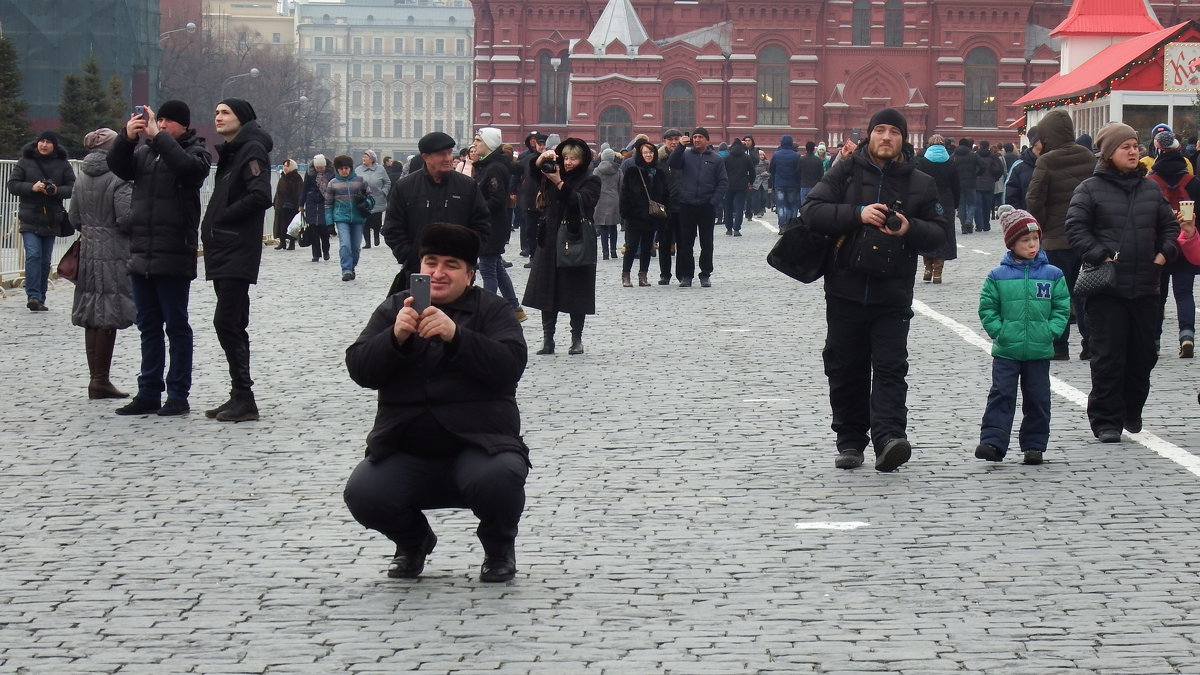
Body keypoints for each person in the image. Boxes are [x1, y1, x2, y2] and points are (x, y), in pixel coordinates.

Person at [343, 222, 529, 583]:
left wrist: (457, 336)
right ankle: (413, 543)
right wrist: (394, 339)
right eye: (431, 263)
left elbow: (509, 367)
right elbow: (360, 369)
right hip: (407, 446)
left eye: (451, 265)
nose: (438, 273)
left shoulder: (492, 310)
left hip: (480, 445)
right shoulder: (396, 308)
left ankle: (498, 548)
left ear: (470, 274)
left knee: (500, 478)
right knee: (364, 493)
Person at [799, 108, 946, 472]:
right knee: (845, 368)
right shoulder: (844, 171)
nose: (885, 137)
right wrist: (858, 213)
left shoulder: (921, 183)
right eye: (879, 130)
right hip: (845, 289)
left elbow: (941, 234)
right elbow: (811, 211)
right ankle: (850, 441)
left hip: (892, 293)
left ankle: (889, 439)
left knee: (891, 368)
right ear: (868, 136)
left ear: (903, 139)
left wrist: (910, 227)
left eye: (893, 132)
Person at [1065, 121, 1180, 443]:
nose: (1133, 152)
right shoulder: (1089, 189)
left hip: (1146, 286)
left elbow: (1169, 228)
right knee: (1108, 356)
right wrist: (1099, 254)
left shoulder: (1151, 189)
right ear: (1108, 153)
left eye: (1135, 146)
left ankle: (1131, 408)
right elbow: (1075, 227)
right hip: (1107, 288)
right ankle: (1106, 420)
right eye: (1125, 147)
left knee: (1145, 354)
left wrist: (1164, 253)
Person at [107, 100, 211, 416]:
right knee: (148, 327)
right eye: (158, 120)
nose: (161, 125)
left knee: (176, 327)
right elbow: (119, 166)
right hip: (142, 252)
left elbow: (187, 170)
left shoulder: (197, 152)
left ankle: (178, 394)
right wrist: (126, 137)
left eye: (167, 121)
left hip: (174, 253)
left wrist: (158, 137)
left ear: (182, 124)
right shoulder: (146, 153)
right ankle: (148, 391)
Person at [975, 210, 1071, 465]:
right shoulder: (997, 276)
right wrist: (1000, 331)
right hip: (1007, 350)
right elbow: (987, 308)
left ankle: (1034, 445)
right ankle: (993, 443)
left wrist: (1051, 331)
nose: (1031, 245)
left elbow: (1062, 307)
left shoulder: (1053, 275)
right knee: (1001, 394)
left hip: (1039, 350)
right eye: (1025, 240)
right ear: (1012, 244)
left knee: (1038, 399)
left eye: (1035, 239)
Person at [200, 97, 274, 423]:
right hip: (224, 248)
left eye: (225, 112)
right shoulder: (233, 151)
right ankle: (239, 395)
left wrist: (223, 219)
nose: (217, 117)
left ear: (241, 118)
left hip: (235, 248)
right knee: (232, 323)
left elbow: (260, 195)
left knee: (227, 322)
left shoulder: (251, 150)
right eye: (215, 111)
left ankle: (245, 397)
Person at [68, 128, 135, 399]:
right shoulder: (119, 176)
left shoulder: (81, 176)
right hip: (114, 251)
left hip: (88, 251)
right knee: (108, 311)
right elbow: (126, 218)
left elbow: (74, 217)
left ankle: (96, 379)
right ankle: (101, 380)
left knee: (92, 314)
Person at [382, 131, 491, 294]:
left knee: (459, 318)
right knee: (421, 316)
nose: (448, 158)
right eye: (441, 154)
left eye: (449, 153)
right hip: (419, 271)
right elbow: (392, 228)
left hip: (458, 270)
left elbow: (482, 225)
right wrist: (411, 257)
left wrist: (468, 257)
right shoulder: (405, 187)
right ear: (426, 157)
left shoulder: (467, 186)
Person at [1027, 109, 1097, 360]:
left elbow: (1034, 199)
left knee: (1057, 294)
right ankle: (1090, 343)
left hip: (1056, 239)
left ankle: (1059, 346)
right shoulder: (1088, 156)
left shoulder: (1046, 160)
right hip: (1086, 238)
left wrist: (1043, 225)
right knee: (1085, 293)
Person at [523, 138, 601, 354]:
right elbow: (532, 172)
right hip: (550, 239)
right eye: (565, 157)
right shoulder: (553, 172)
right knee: (548, 290)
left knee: (577, 292)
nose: (568, 162)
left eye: (573, 158)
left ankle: (576, 339)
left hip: (576, 239)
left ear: (582, 159)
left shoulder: (591, 180)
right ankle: (548, 339)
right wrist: (541, 159)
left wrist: (559, 183)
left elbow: (581, 202)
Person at [7, 130, 75, 312]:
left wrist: (55, 190)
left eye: (48, 142)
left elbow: (72, 187)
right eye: (41, 141)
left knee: (45, 261)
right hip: (29, 217)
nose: (44, 145)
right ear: (37, 143)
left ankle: (41, 297)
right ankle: (33, 295)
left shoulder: (63, 164)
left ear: (54, 145)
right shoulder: (25, 161)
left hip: (51, 219)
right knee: (33, 255)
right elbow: (12, 185)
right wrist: (32, 187)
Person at [1147, 130, 1200, 359]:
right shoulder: (1194, 182)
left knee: (1158, 295)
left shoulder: (1149, 183)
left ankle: (1155, 342)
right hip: (1186, 243)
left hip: (1159, 246)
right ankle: (1186, 335)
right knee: (1184, 293)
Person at [471, 127, 527, 322]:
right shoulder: (487, 165)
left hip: (491, 226)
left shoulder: (494, 167)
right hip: (490, 224)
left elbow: (496, 199)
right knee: (495, 266)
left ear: (488, 144)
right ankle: (514, 307)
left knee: (487, 268)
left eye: (478, 140)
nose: (475, 143)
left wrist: (475, 208)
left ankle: (488, 312)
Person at [667, 127, 728, 287]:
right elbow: (672, 163)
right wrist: (680, 146)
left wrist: (713, 201)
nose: (697, 139)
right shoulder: (686, 155)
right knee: (686, 243)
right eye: (695, 137)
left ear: (707, 140)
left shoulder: (716, 159)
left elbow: (723, 182)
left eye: (700, 137)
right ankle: (687, 275)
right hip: (686, 205)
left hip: (706, 206)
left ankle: (705, 274)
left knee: (706, 243)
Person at [620, 138, 670, 287]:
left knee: (648, 247)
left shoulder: (659, 173)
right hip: (635, 217)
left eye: (651, 152)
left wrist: (664, 212)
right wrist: (626, 214)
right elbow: (624, 195)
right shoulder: (632, 172)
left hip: (652, 217)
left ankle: (643, 275)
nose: (648, 155)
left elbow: (665, 195)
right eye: (645, 152)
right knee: (632, 246)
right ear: (640, 154)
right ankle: (626, 275)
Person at [915, 134, 959, 284]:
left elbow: (917, 183)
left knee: (927, 233)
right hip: (946, 202)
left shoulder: (922, 162)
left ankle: (927, 269)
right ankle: (938, 273)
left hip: (926, 202)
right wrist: (956, 203)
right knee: (944, 235)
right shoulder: (951, 163)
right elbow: (956, 186)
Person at [325, 154, 374, 282]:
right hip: (341, 218)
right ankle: (346, 269)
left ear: (351, 168)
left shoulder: (360, 181)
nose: (344, 171)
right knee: (345, 244)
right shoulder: (333, 184)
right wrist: (329, 224)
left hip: (358, 218)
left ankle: (352, 266)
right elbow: (328, 205)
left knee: (356, 247)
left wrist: (365, 203)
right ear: (337, 169)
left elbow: (371, 199)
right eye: (341, 169)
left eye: (346, 168)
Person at [656, 129, 684, 284]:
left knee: (682, 243)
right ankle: (665, 274)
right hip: (664, 208)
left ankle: (681, 275)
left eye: (676, 139)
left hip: (682, 207)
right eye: (670, 139)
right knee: (664, 243)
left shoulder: (685, 158)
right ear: (665, 141)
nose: (673, 142)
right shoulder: (658, 160)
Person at [515, 132, 548, 259]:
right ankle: (533, 257)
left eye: (544, 144)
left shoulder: (556, 159)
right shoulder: (529, 159)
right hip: (530, 201)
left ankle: (544, 257)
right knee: (530, 230)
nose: (541, 147)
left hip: (547, 202)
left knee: (545, 230)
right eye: (540, 144)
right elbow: (515, 170)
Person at [356, 150, 391, 249]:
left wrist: (384, 192)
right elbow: (354, 182)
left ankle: (376, 236)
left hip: (378, 198)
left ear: (371, 159)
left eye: (366, 157)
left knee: (377, 221)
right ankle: (367, 242)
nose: (363, 158)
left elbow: (387, 182)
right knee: (365, 221)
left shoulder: (380, 169)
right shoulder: (358, 170)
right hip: (364, 200)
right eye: (363, 157)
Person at [301, 155, 333, 262]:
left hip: (326, 202)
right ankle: (316, 254)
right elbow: (304, 188)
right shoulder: (309, 174)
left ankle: (326, 251)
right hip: (312, 203)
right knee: (313, 230)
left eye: (321, 168)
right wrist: (301, 204)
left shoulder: (331, 173)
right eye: (317, 168)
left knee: (324, 230)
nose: (319, 170)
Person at [592, 147, 622, 259]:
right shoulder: (618, 170)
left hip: (600, 200)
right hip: (614, 200)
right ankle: (613, 251)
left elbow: (593, 186)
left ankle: (605, 252)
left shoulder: (596, 171)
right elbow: (621, 186)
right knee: (613, 227)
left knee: (603, 228)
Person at [722, 138, 755, 236]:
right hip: (742, 185)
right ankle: (736, 229)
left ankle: (728, 228)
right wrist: (750, 182)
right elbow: (752, 172)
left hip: (729, 185)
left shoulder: (727, 158)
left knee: (728, 207)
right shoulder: (746, 158)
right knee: (740, 207)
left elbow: (722, 172)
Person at [768, 135, 801, 232]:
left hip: (779, 184)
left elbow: (771, 169)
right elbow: (799, 170)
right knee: (792, 205)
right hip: (793, 184)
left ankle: (782, 226)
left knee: (781, 205)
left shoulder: (776, 154)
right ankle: (791, 226)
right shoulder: (796, 155)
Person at [1004, 126, 1040, 212]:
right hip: (1027, 220)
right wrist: (1020, 217)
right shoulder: (1019, 166)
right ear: (1034, 143)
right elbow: (1010, 195)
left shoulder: (1054, 162)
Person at [272, 159, 303, 250]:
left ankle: (291, 243)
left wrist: (297, 203)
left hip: (291, 206)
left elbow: (298, 192)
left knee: (291, 225)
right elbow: (278, 192)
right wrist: (275, 202)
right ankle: (282, 242)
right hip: (281, 205)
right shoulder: (283, 177)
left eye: (287, 166)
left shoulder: (296, 178)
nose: (285, 168)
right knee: (281, 224)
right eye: (284, 166)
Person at [951, 138, 979, 235]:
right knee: (972, 204)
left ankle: (963, 226)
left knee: (961, 206)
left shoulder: (954, 156)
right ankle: (969, 221)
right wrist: (976, 174)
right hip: (971, 183)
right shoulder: (973, 155)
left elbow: (950, 167)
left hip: (958, 184)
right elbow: (983, 165)